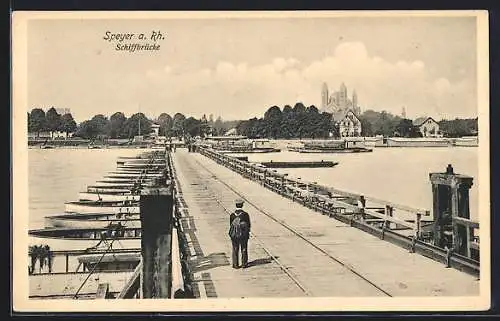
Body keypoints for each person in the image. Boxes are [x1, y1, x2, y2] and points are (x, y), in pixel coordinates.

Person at [228, 198, 251, 269]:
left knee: (235, 248)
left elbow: (230, 225)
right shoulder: (245, 215)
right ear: (242, 205)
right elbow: (249, 225)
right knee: (244, 248)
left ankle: (235, 264)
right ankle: (244, 263)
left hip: (234, 235)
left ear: (236, 205)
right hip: (243, 235)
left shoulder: (232, 215)